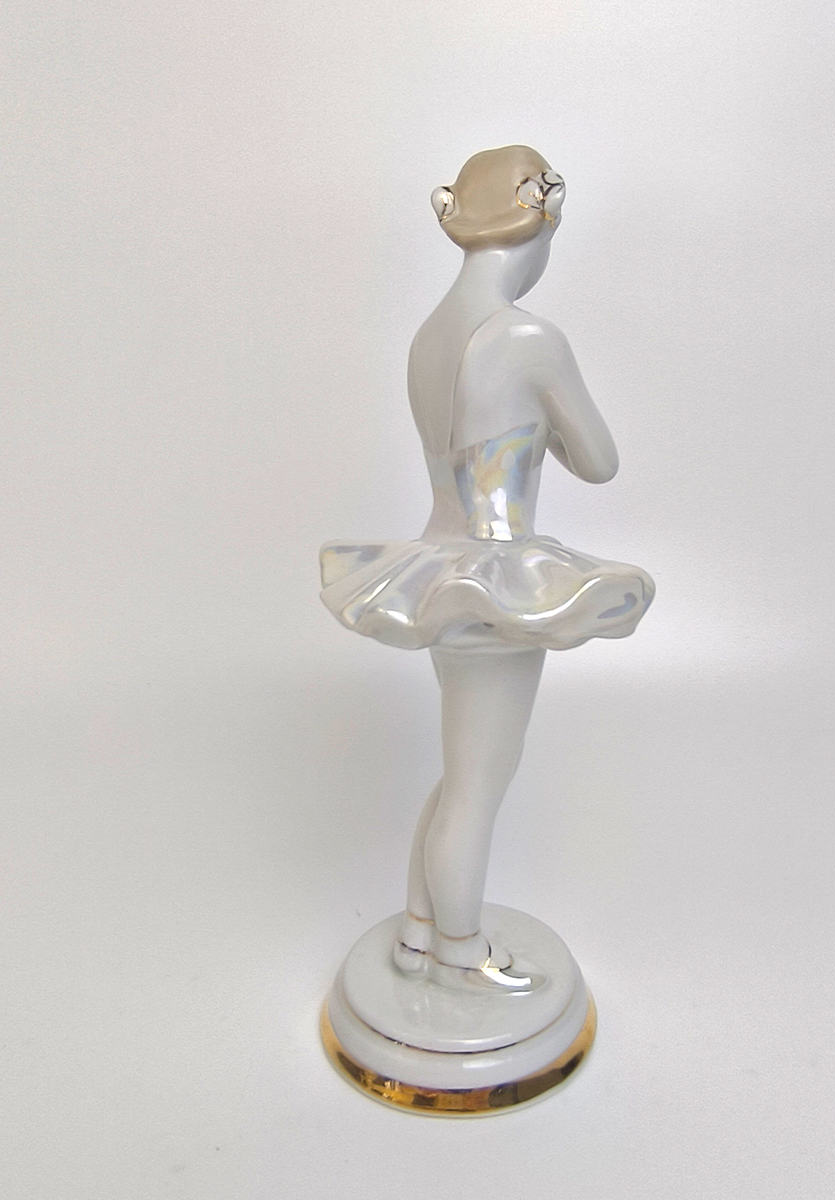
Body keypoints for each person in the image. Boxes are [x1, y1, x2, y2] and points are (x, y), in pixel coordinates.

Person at [320, 145, 654, 991]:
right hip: (499, 581)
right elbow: (600, 461)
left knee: (461, 772)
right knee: (480, 781)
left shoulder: (429, 336)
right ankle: (461, 956)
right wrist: (548, 418)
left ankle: (418, 935)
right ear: (538, 226)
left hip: (435, 568)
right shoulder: (529, 337)